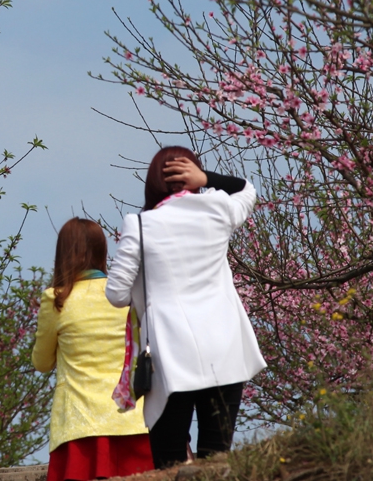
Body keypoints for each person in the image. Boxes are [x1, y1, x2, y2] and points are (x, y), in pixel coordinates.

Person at [104, 146, 266, 469]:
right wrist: (208, 178)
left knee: (170, 460)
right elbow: (248, 190)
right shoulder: (218, 208)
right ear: (194, 178)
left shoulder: (139, 225)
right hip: (226, 348)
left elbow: (116, 294)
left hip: (171, 355)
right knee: (216, 458)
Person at [32, 218, 155, 480]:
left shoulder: (56, 298)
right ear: (102, 250)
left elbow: (41, 362)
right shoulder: (125, 295)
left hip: (80, 428)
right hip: (134, 421)